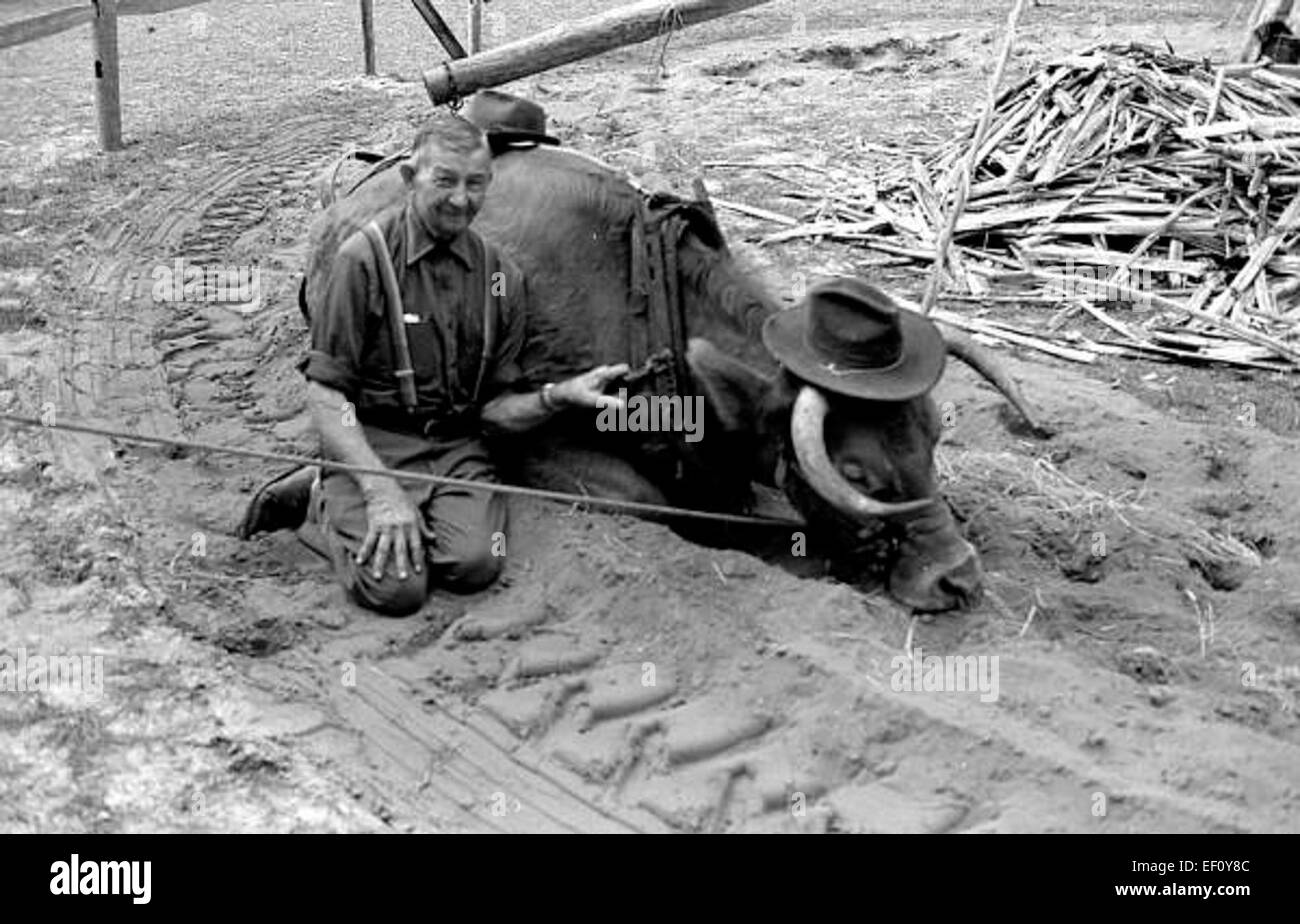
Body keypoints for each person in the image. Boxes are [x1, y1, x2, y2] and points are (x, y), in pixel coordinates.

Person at [240, 111, 626, 616]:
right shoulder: (363, 262)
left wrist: (559, 396)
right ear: (409, 179)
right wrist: (380, 492)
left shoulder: (500, 276)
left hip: (455, 446)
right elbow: (326, 394)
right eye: (444, 181)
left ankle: (388, 511)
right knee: (397, 590)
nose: (460, 199)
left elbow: (494, 411)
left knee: (476, 566)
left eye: (475, 184)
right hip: (376, 439)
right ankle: (320, 500)